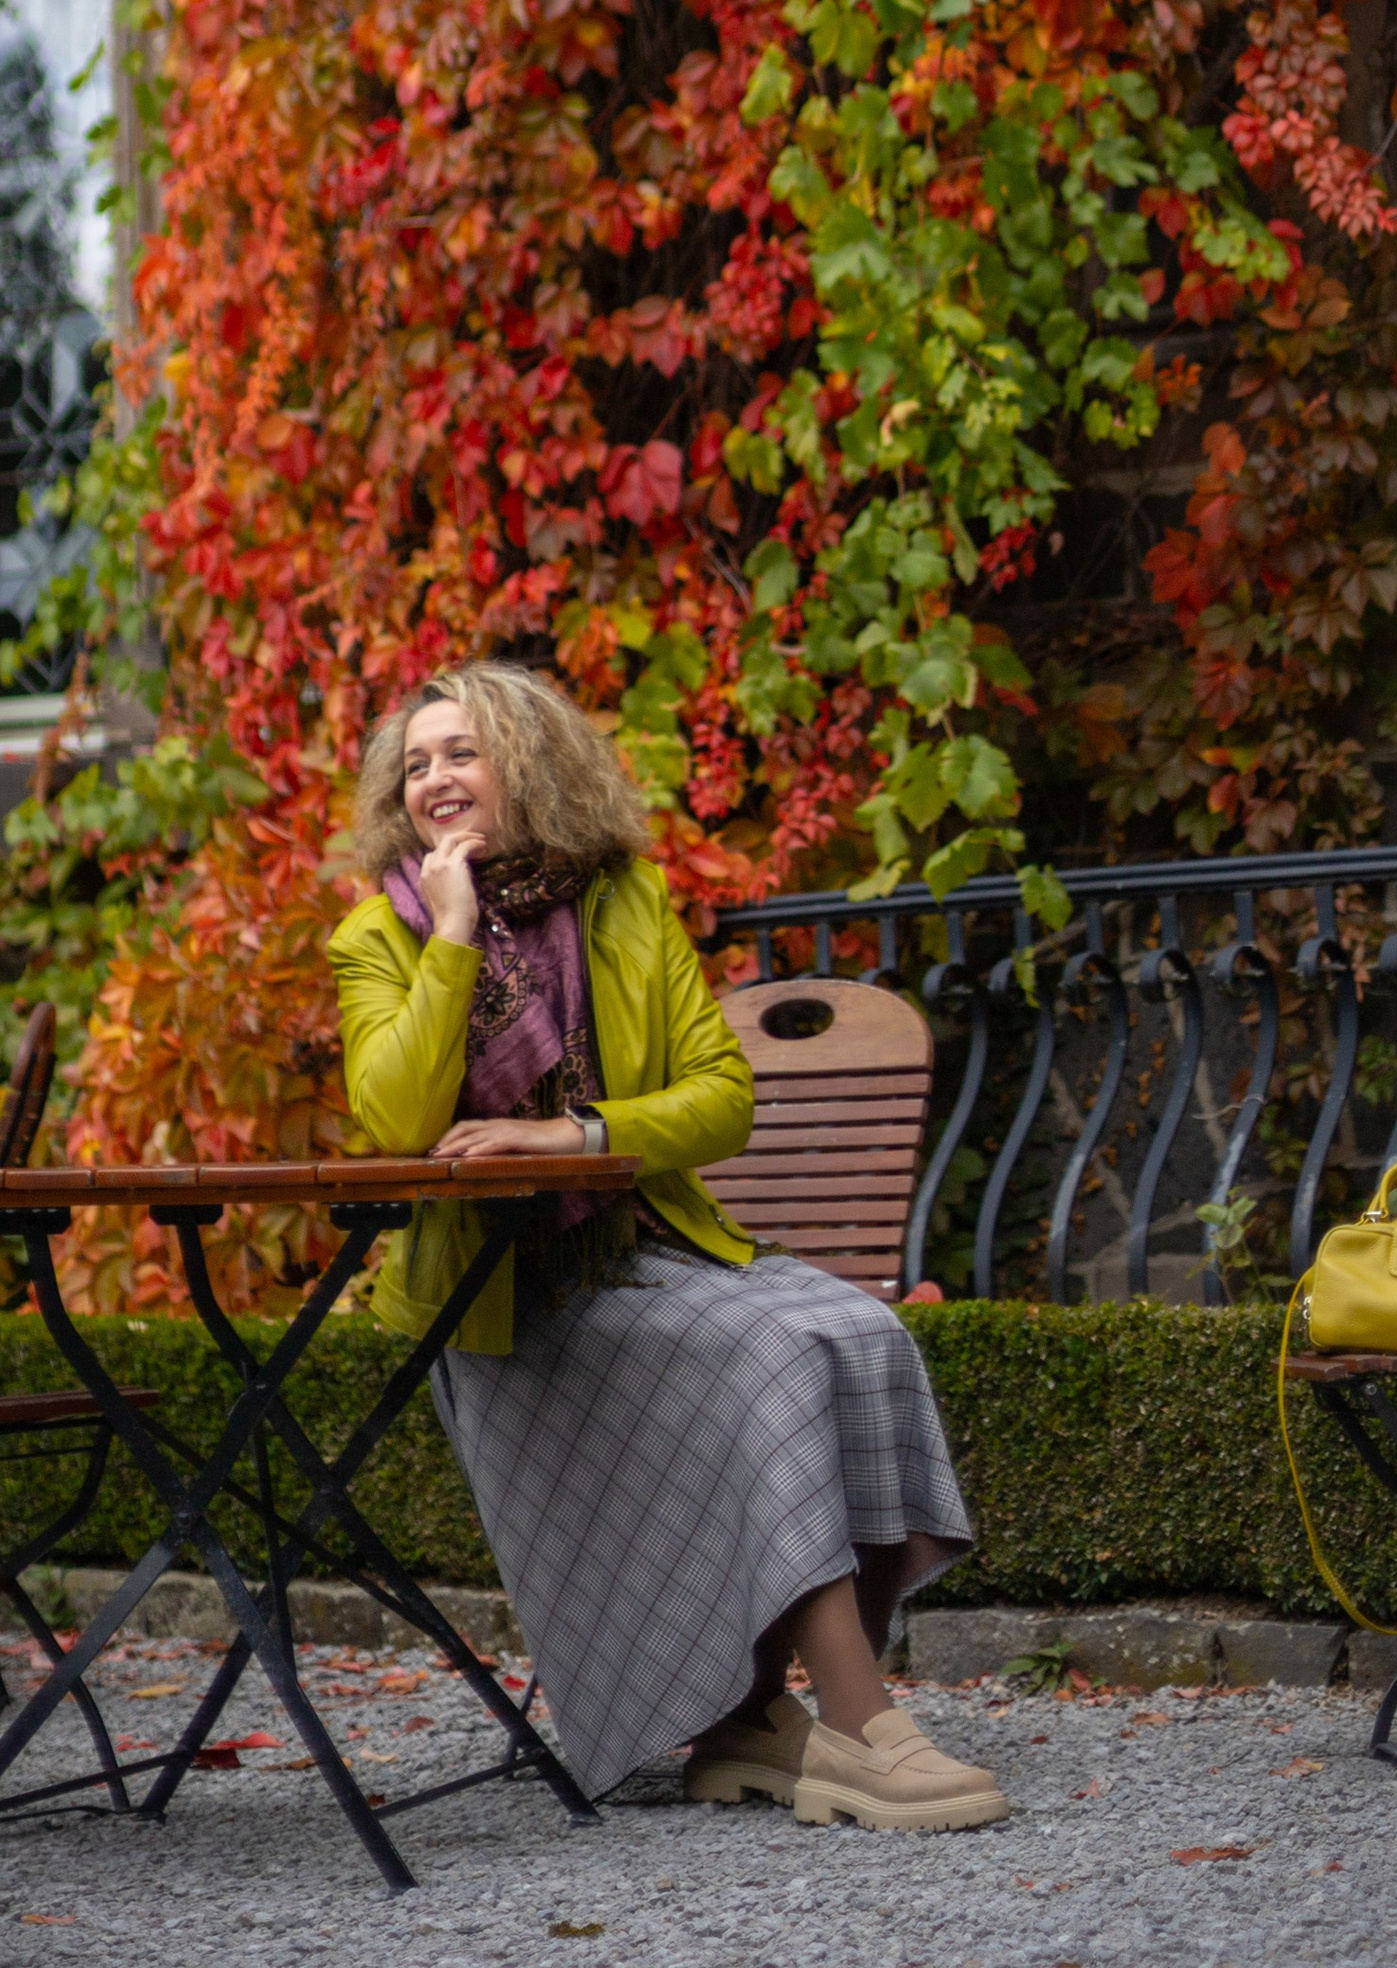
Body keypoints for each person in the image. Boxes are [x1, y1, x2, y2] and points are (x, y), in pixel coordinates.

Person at [327, 658, 1010, 1832]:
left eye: (461, 751)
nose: (434, 777)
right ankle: (857, 1727)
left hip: (650, 1250)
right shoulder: (375, 936)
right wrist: (449, 936)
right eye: (417, 762)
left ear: (526, 761)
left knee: (861, 1329)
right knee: (775, 1357)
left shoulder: (622, 902)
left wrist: (575, 1131)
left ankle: (743, 1719)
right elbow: (396, 1123)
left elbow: (723, 1097)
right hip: (513, 1296)